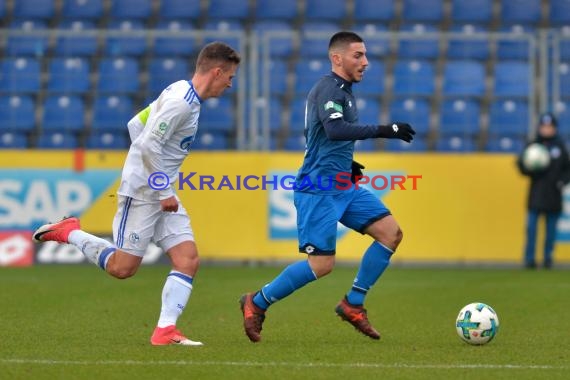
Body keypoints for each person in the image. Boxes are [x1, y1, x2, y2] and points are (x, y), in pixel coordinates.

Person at [33, 42, 241, 345]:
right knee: (122, 268)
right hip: (146, 193)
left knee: (187, 258)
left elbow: (136, 126)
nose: (230, 84)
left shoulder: (182, 93)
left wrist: (156, 180)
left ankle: (165, 331)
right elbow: (145, 144)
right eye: (230, 77)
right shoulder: (181, 102)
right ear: (217, 71)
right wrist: (159, 186)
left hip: (159, 191)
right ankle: (69, 232)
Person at [239, 31, 415, 342]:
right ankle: (257, 301)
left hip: (342, 185)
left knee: (391, 233)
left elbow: (323, 135)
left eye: (365, 55)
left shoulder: (343, 91)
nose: (366, 62)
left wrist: (346, 164)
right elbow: (334, 129)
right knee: (321, 265)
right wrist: (387, 129)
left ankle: (353, 303)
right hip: (318, 188)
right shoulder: (328, 89)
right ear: (337, 58)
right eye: (358, 56)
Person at [517, 112, 570, 269]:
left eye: (550, 127)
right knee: (531, 229)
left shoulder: (560, 147)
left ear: (554, 128)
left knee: (550, 231)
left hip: (554, 194)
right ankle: (529, 259)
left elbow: (568, 169)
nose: (546, 130)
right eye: (544, 126)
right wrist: (525, 165)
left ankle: (548, 258)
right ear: (540, 128)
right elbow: (522, 167)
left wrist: (562, 182)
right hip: (536, 195)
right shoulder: (533, 146)